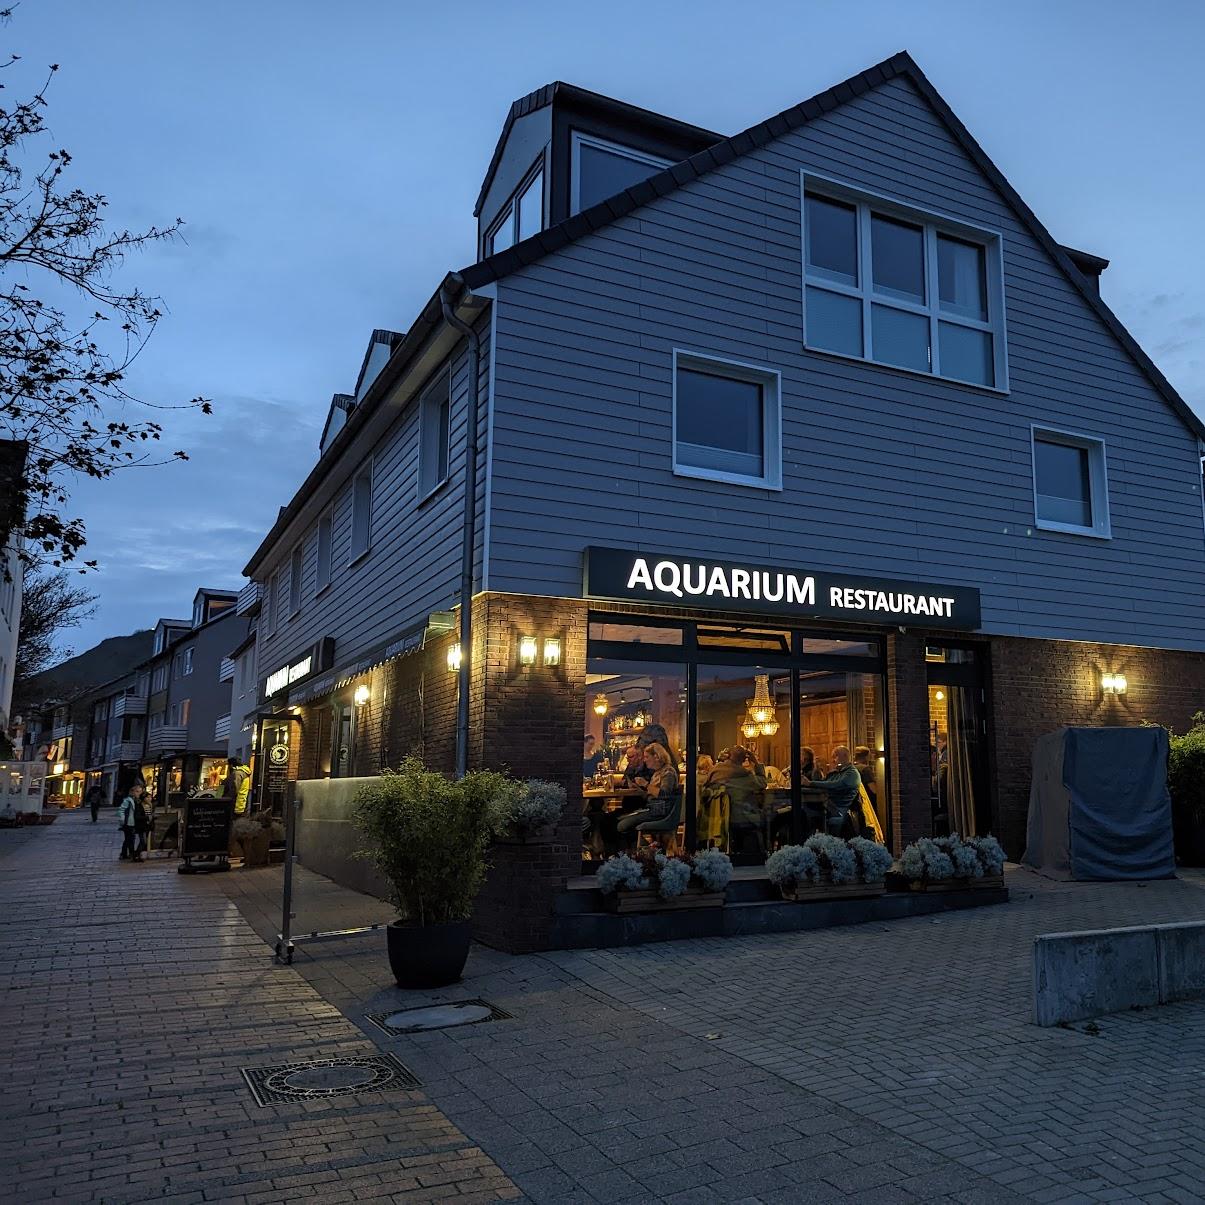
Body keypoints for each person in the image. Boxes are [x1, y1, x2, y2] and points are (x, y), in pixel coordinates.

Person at [704, 746, 767, 854]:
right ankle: (761, 853)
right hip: (741, 818)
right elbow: (762, 783)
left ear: (728, 756)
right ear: (744, 759)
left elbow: (706, 787)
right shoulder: (746, 776)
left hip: (717, 818)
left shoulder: (715, 771)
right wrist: (756, 762)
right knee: (767, 818)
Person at [617, 743, 679, 846]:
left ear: (656, 756)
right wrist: (639, 790)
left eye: (646, 757)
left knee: (622, 826)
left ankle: (644, 850)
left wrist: (645, 784)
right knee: (619, 820)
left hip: (660, 812)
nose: (644, 760)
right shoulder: (657, 772)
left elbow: (665, 794)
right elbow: (651, 796)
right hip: (653, 809)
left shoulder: (668, 772)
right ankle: (645, 849)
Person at [811, 746, 864, 837]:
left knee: (811, 815)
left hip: (839, 809)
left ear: (845, 756)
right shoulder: (834, 773)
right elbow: (823, 783)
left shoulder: (852, 773)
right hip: (828, 807)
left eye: (835, 756)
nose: (832, 760)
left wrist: (810, 783)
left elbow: (836, 784)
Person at [117, 782, 148, 862]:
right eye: (137, 792)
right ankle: (128, 854)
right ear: (132, 792)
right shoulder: (128, 800)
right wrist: (123, 820)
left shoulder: (136, 801)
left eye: (140, 792)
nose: (139, 793)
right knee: (129, 838)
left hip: (132, 822)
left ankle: (125, 854)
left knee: (130, 838)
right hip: (128, 822)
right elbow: (121, 810)